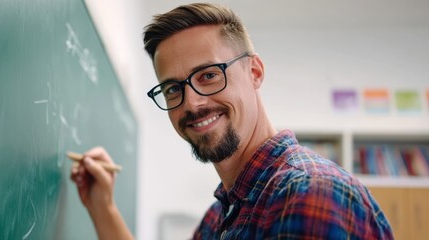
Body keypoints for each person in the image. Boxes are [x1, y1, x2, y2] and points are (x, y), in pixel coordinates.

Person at [71, 3, 394, 240]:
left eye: (209, 75)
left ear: (254, 72)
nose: (193, 102)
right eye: (173, 89)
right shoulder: (221, 216)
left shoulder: (308, 192)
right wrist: (104, 208)